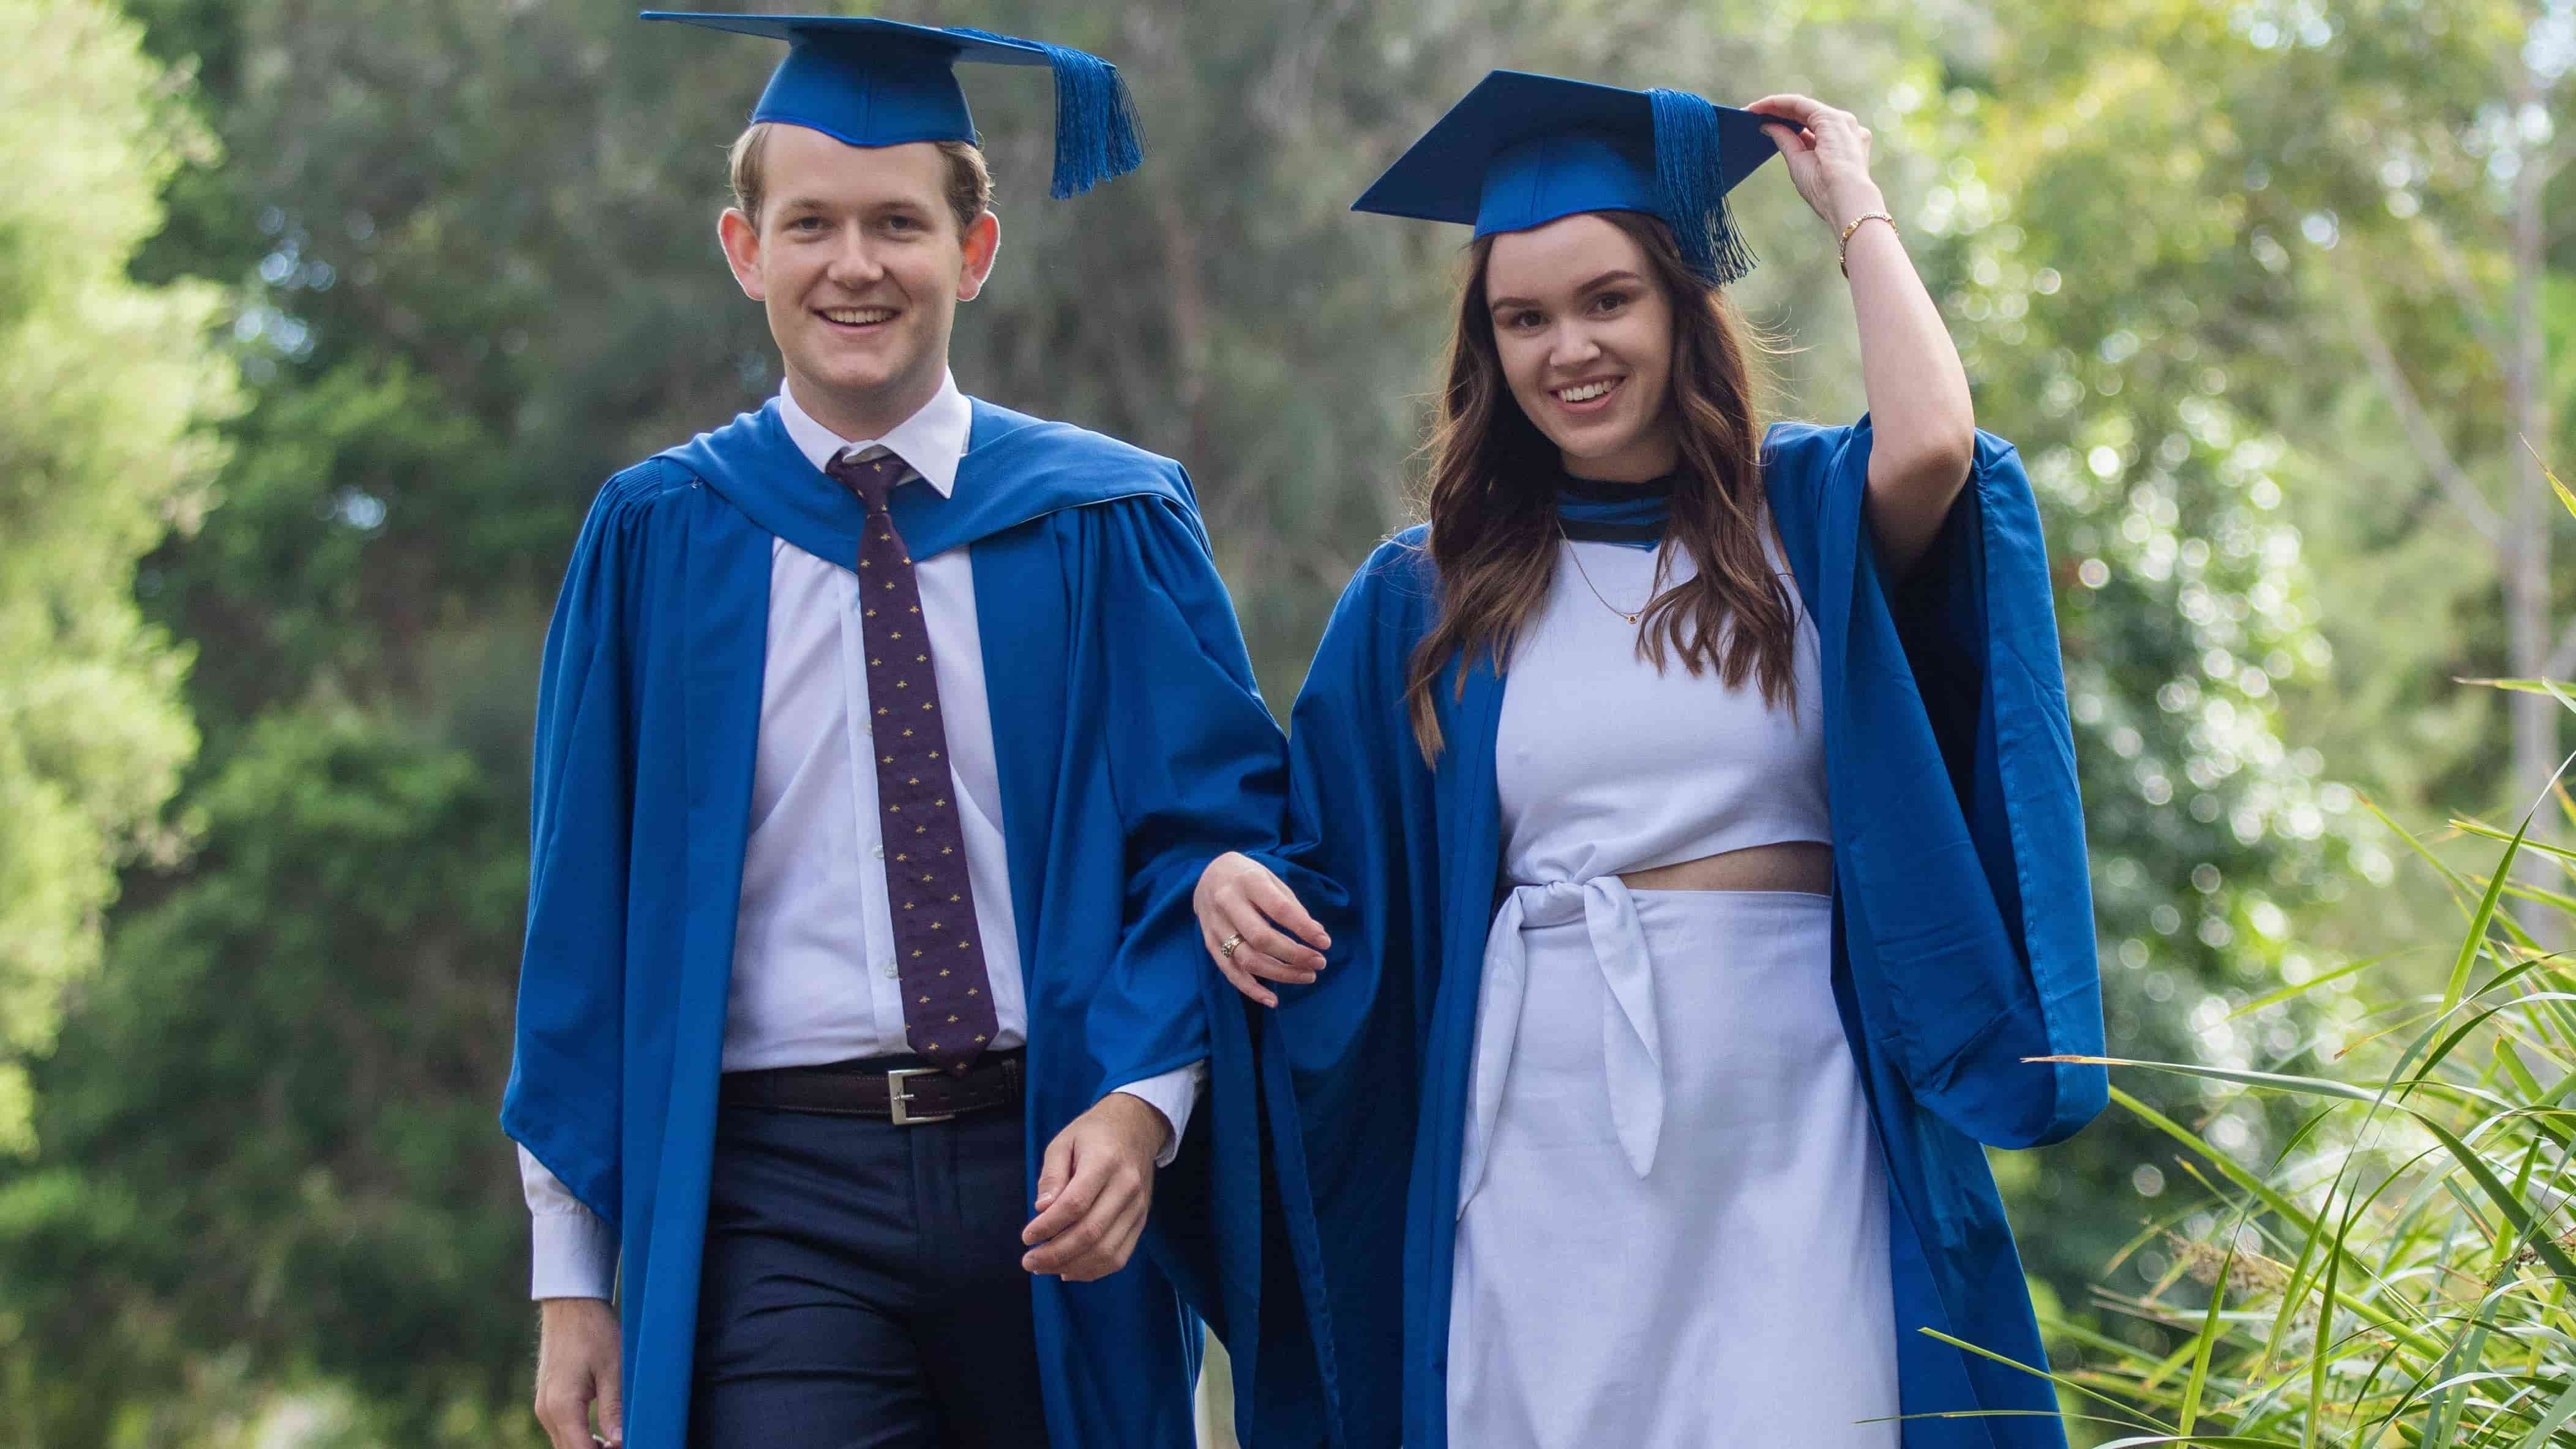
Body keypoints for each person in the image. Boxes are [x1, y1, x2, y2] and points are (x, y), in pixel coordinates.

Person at [1193, 70, 2108, 1448]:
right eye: (1525, 318)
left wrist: (1851, 204)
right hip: (1544, 1112)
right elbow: (1327, 862)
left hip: (1792, 1089)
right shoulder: (1430, 591)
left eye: (1606, 300)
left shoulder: (1798, 514)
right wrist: (1225, 876)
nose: (1569, 347)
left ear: (1683, 306)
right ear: (1487, 346)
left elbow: (1936, 446)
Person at [502, 14, 1327, 1449]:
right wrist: (571, 1280)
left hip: (1054, 1157)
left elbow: (1209, 839)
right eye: (810, 223)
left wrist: (1141, 1107)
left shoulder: (1104, 519)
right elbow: (583, 914)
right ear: (744, 250)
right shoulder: (660, 535)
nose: (855, 264)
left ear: (976, 249)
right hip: (776, 1191)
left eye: (899, 222)